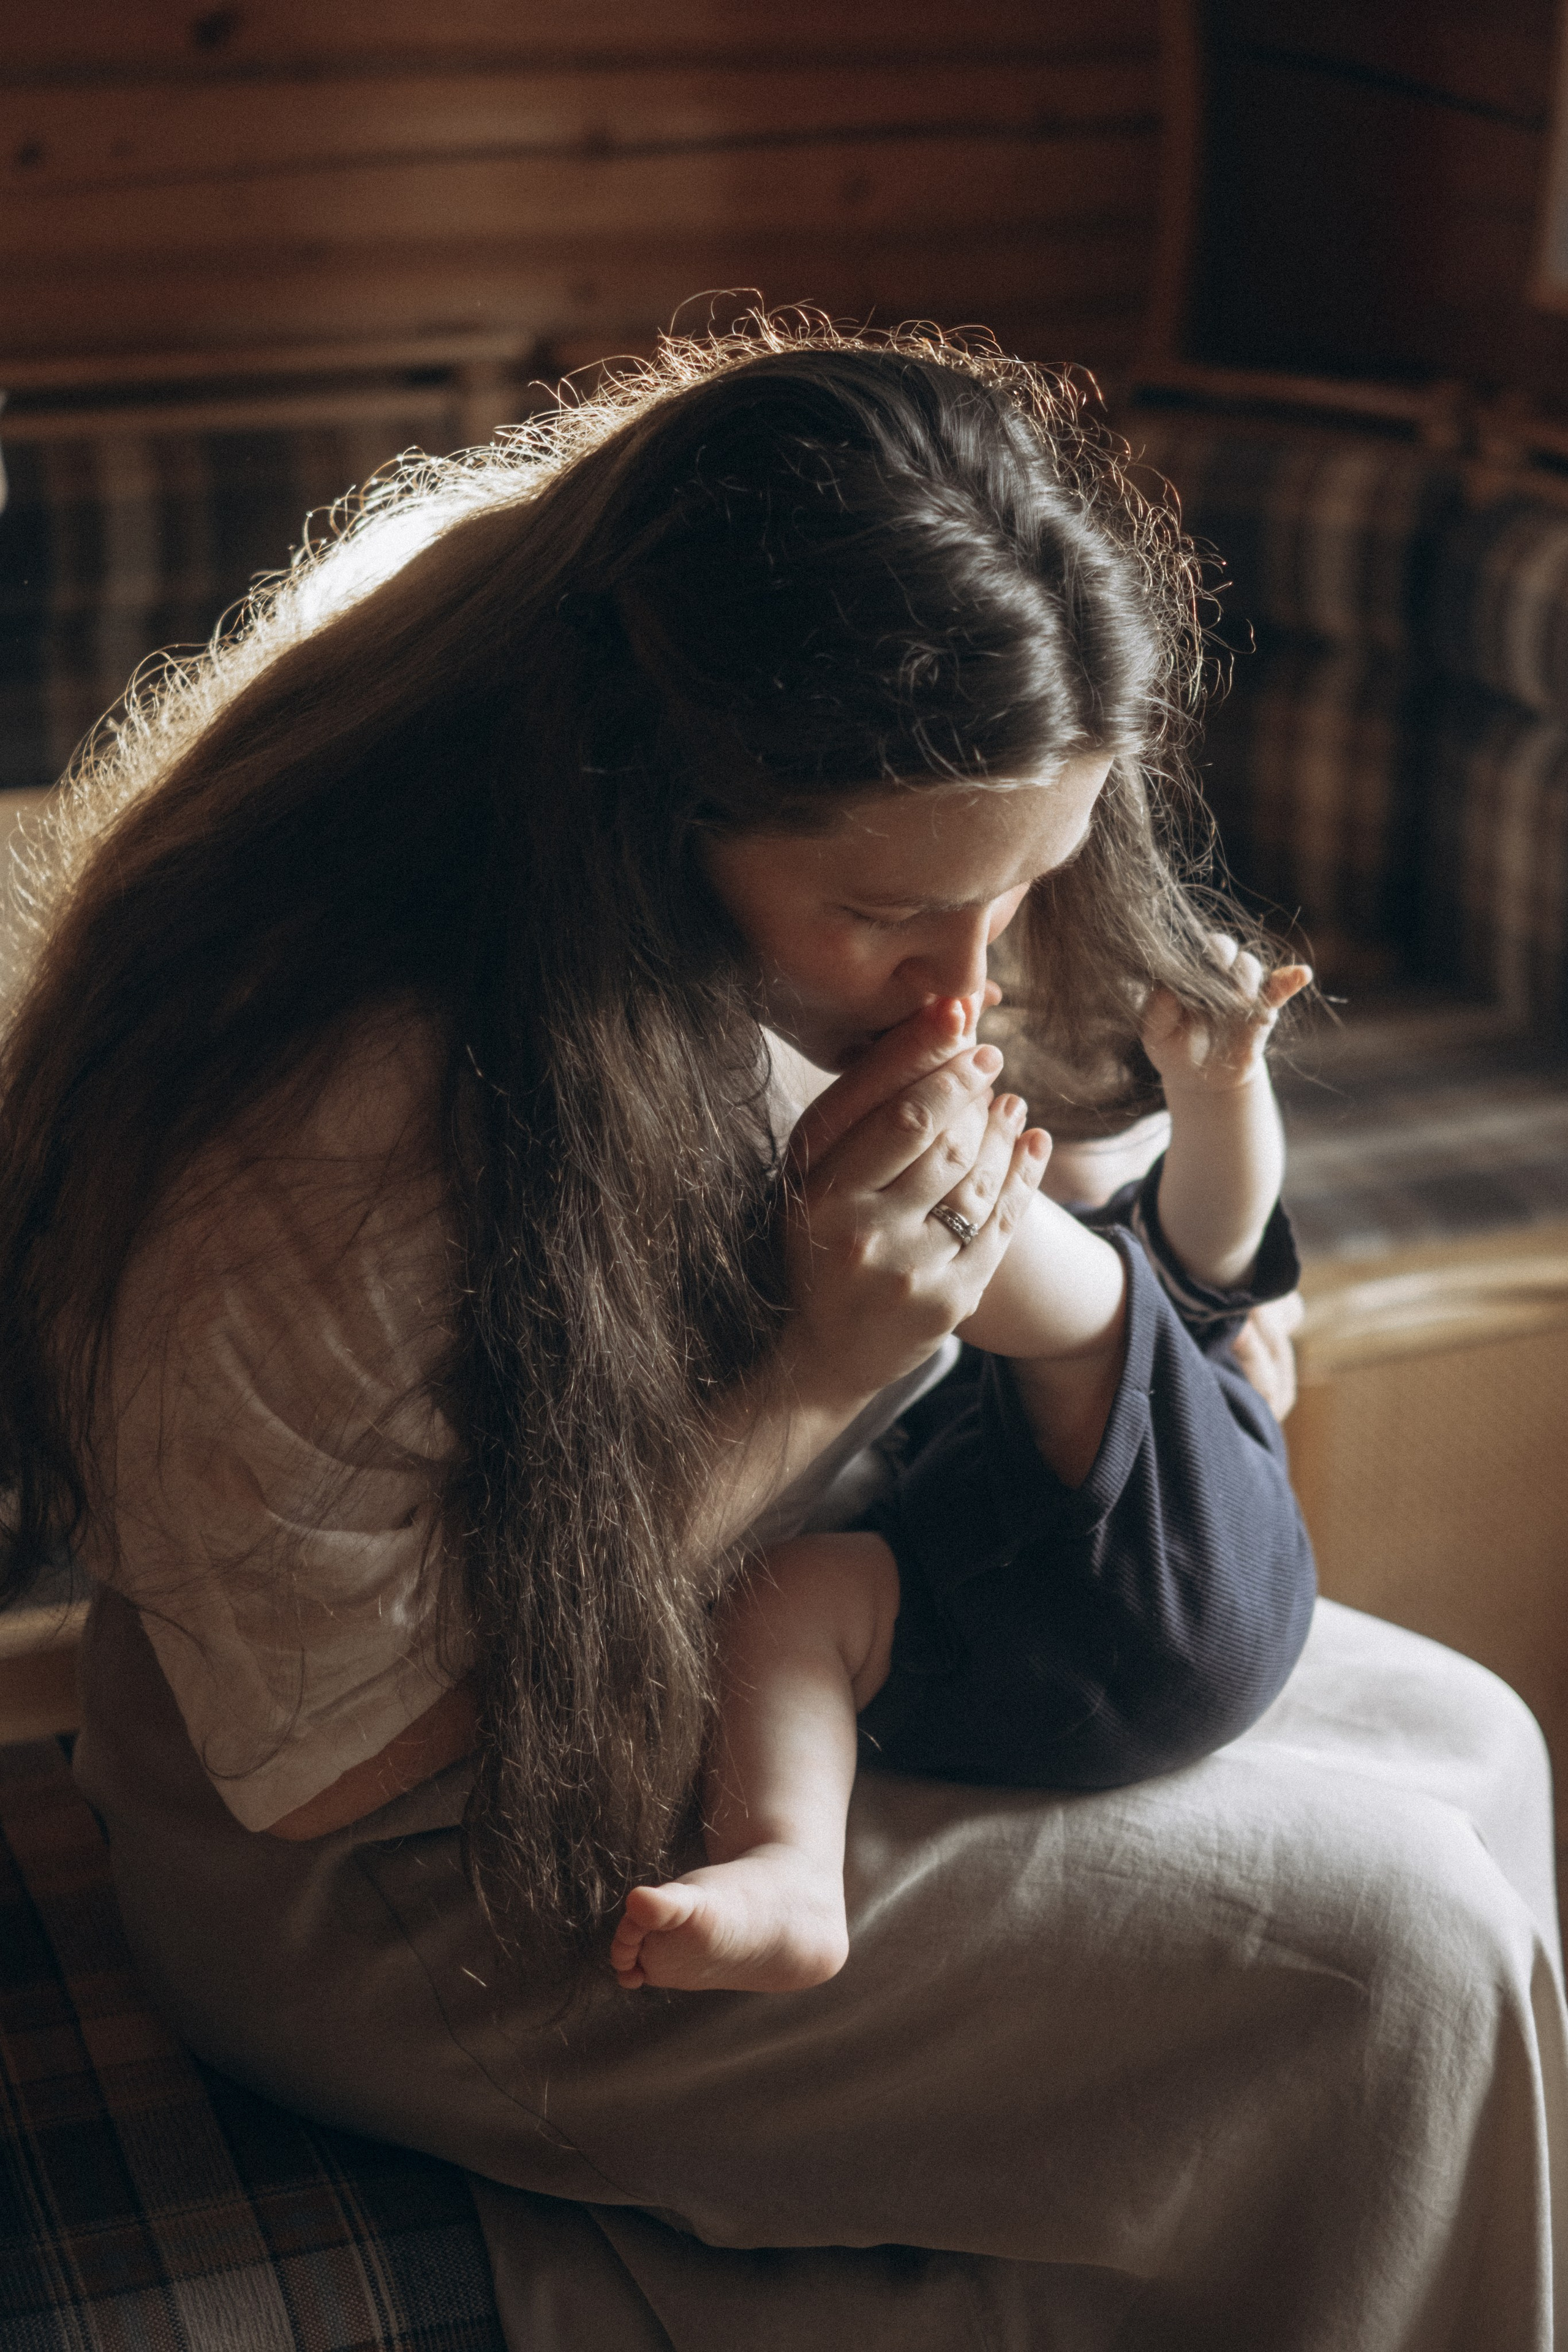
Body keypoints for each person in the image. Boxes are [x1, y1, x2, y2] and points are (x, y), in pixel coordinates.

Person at [0, 322, 1561, 2350]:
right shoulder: (334, 1119)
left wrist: (1177, 1311)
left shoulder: (831, 896)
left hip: (738, 1639)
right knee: (1399, 1976)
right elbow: (343, 1759)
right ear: (642, 814)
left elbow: (1086, 1185)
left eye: (1025, 887)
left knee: (1475, 1741)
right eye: (894, 917)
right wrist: (817, 1371)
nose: (963, 986)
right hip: (396, 1869)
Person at [610, 939, 1310, 1994]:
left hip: (1190, 1571)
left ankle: (901, 1164)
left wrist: (1221, 1091)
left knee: (1084, 1281)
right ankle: (790, 1868)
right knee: (786, 1601)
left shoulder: (1141, 1288)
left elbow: (1217, 1223)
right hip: (1002, 1648)